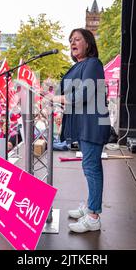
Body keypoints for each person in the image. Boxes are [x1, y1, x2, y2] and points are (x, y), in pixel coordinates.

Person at [54, 28, 110, 233]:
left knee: (92, 168)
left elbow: (82, 95)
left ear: (88, 43)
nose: (72, 43)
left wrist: (57, 98)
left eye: (77, 39)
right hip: (86, 123)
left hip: (94, 124)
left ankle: (94, 216)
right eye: (70, 40)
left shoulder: (93, 64)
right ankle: (90, 206)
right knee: (89, 167)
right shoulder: (80, 65)